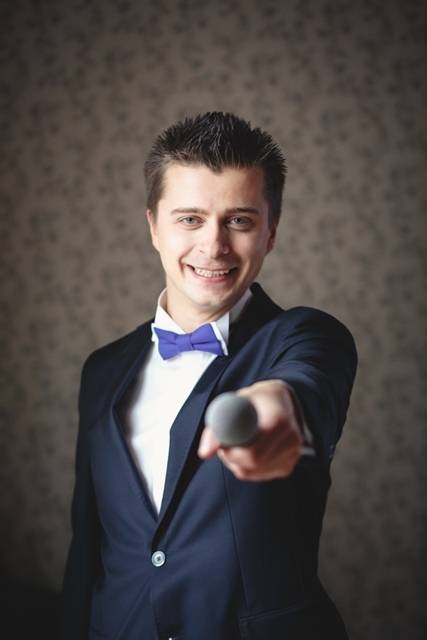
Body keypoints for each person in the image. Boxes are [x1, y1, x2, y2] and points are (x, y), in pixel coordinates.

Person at [62, 112, 357, 640]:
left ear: (271, 232)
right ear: (153, 227)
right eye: (190, 219)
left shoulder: (308, 336)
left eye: (239, 220)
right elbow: (86, 549)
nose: (214, 245)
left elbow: (302, 389)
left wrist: (274, 408)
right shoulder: (102, 370)